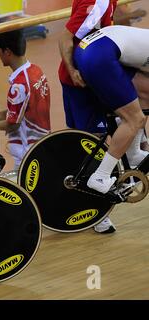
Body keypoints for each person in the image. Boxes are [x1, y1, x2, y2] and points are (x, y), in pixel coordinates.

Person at [58, 0, 119, 234]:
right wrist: (73, 70)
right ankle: (96, 210)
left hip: (78, 78)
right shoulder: (95, 1)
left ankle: (78, 199)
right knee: (91, 143)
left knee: (79, 143)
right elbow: (64, 38)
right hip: (82, 83)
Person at [73, 26, 149, 195]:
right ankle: (100, 176)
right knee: (135, 119)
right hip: (99, 57)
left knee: (145, 92)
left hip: (90, 49)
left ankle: (133, 152)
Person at [0, 30, 50, 173]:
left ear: (7, 52)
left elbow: (12, 125)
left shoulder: (19, 86)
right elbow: (22, 109)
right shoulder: (36, 70)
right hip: (42, 144)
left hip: (27, 152)